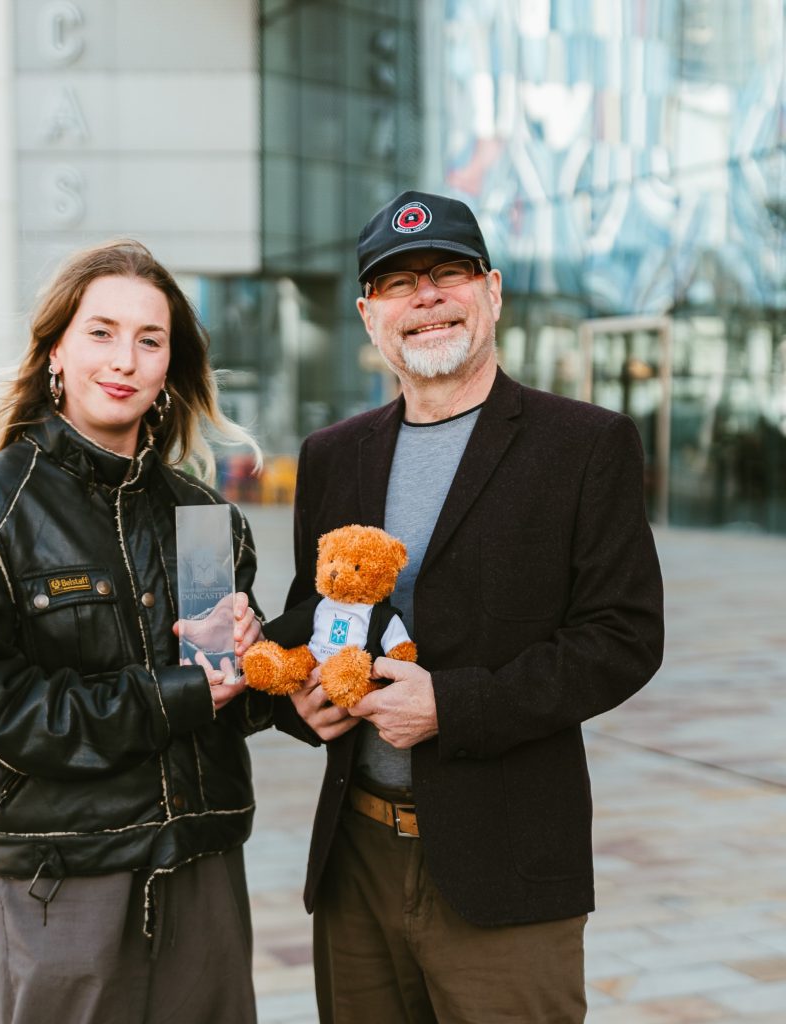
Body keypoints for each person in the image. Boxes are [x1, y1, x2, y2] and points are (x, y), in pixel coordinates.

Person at [269, 191, 665, 1023]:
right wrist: (295, 697)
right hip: (356, 861)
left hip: (507, 864)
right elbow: (316, 613)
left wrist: (454, 705)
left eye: (447, 272)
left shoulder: (585, 444)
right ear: (369, 315)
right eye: (398, 283)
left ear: (492, 291)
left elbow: (623, 638)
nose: (427, 297)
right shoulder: (332, 456)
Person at [0, 240, 271, 1024]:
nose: (125, 360)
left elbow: (222, 697)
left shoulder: (201, 516)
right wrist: (166, 698)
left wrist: (252, 660)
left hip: (203, 874)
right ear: (56, 352)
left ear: (170, 366)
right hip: (64, 882)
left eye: (150, 340)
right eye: (101, 332)